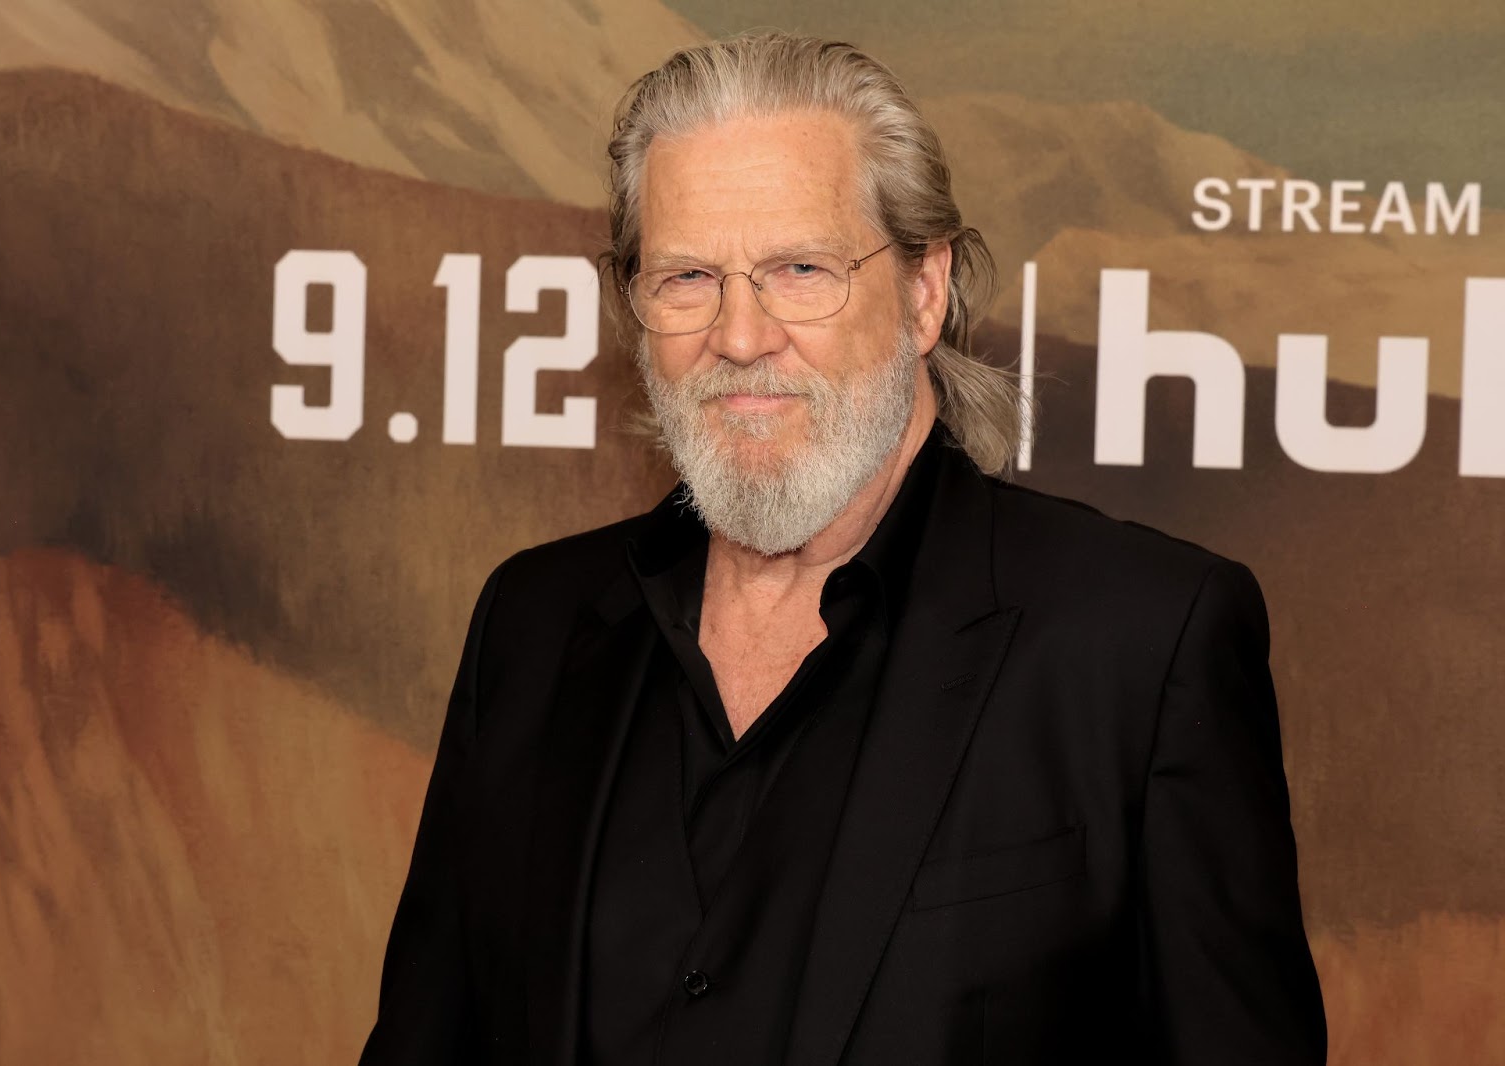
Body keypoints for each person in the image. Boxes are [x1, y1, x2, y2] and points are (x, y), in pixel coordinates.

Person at [360, 32, 1326, 1066]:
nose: (738, 336)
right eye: (687, 277)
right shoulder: (534, 627)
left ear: (922, 292)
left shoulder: (1137, 646)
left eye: (799, 269)